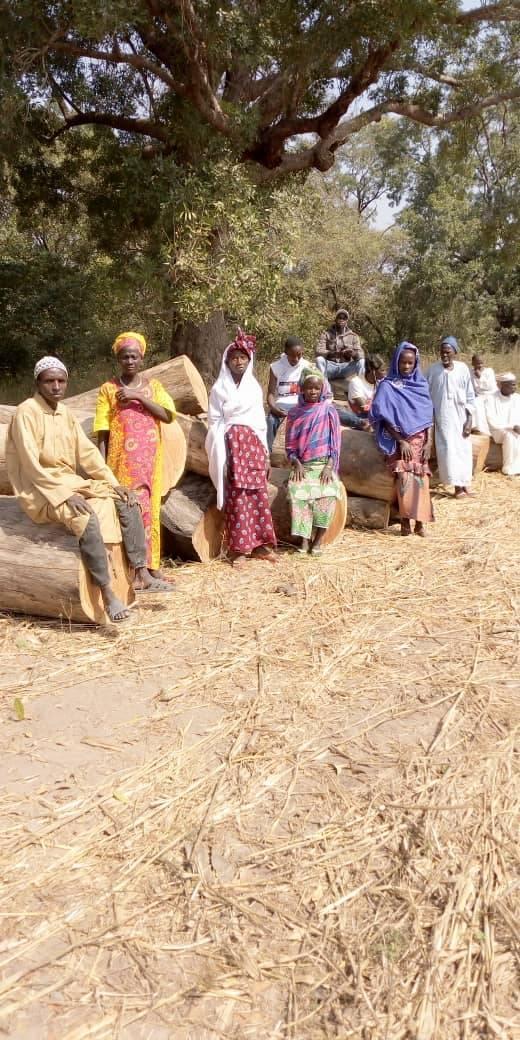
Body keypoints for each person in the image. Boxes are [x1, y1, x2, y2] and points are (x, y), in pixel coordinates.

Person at [6, 358, 170, 624]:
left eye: (61, 381)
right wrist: (63, 495)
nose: (56, 386)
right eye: (50, 381)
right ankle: (107, 593)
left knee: (127, 500)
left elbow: (88, 453)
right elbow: (29, 464)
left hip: (70, 482)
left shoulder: (64, 412)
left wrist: (114, 483)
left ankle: (141, 572)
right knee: (87, 516)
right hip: (41, 489)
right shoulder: (27, 411)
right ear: (38, 383)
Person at [93, 331, 176, 579]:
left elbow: (168, 415)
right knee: (129, 511)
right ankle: (132, 570)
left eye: (134, 357)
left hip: (150, 461)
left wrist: (138, 396)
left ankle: (152, 565)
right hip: (122, 463)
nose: (129, 361)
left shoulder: (154, 387)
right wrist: (102, 469)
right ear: (118, 360)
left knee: (151, 509)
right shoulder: (108, 389)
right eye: (124, 357)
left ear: (141, 359)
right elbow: (102, 432)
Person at [206, 331, 277, 566]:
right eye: (234, 357)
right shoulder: (219, 389)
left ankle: (260, 546)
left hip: (253, 445)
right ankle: (239, 549)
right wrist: (220, 449)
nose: (239, 361)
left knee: (257, 494)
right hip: (231, 446)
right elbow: (214, 420)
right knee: (237, 495)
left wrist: (266, 453)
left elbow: (260, 423)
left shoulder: (254, 389)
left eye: (243, 358)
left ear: (249, 361)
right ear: (227, 361)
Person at [370, 342, 434, 536]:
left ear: (416, 363)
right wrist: (401, 440)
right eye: (403, 363)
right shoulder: (387, 385)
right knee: (404, 479)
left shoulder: (421, 385)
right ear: (396, 362)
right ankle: (405, 521)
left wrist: (429, 442)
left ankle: (421, 522)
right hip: (399, 440)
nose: (406, 367)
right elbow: (383, 416)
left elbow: (428, 416)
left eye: (410, 363)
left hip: (419, 440)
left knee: (421, 480)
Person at [285, 368, 342, 555]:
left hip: (323, 465)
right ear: (302, 389)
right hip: (303, 465)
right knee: (298, 496)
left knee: (328, 496)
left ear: (322, 389)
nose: (313, 392)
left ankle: (318, 541)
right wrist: (295, 462)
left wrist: (329, 466)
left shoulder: (329, 411)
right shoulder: (294, 414)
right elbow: (290, 445)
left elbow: (335, 443)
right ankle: (304, 541)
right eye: (309, 388)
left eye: (317, 388)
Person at [426, 335, 475, 498]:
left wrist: (469, 420)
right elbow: (425, 395)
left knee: (464, 451)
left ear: (455, 352)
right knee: (448, 451)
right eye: (442, 352)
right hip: (443, 419)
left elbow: (470, 396)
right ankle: (457, 488)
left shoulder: (463, 369)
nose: (444, 355)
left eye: (448, 352)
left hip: (461, 418)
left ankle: (465, 483)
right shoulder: (433, 370)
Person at [266, 335, 310, 451]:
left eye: (299, 355)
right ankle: (267, 455)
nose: (296, 358)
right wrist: (274, 408)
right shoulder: (276, 367)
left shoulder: (307, 366)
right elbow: (270, 393)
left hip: (300, 402)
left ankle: (304, 454)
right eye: (292, 355)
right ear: (286, 353)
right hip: (282, 403)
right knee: (270, 421)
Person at [315, 309, 364, 385]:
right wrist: (332, 353)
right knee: (319, 359)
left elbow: (361, 354)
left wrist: (352, 354)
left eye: (344, 318)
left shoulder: (353, 336)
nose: (341, 320)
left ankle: (360, 386)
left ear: (347, 321)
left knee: (361, 362)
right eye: (339, 318)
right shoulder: (326, 334)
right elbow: (318, 351)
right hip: (331, 366)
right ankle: (325, 387)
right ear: (335, 319)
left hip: (345, 367)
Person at [485, 372, 520, 476]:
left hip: (515, 428)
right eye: (512, 384)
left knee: (515, 435)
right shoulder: (491, 398)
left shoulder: (517, 398)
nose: (515, 387)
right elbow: (491, 420)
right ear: (502, 385)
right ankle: (508, 468)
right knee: (511, 436)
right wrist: (511, 427)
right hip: (498, 430)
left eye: (515, 384)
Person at [470, 354, 497, 434]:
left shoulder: (489, 371)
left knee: (481, 402)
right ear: (473, 363)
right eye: (477, 363)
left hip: (491, 393)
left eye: (481, 363)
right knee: (475, 402)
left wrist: (480, 377)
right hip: (478, 395)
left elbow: (490, 386)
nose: (480, 365)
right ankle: (477, 428)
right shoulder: (470, 372)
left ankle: (487, 430)